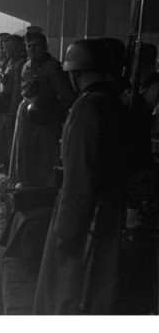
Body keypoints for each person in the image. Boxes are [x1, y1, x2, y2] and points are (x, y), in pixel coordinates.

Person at [33, 39, 132, 314]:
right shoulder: (116, 104)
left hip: (89, 220)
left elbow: (79, 179)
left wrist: (66, 230)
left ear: (76, 73)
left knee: (68, 293)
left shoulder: (87, 108)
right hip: (112, 215)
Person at [9, 31, 76, 187]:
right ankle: (25, 185)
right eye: (29, 46)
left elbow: (67, 96)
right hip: (25, 117)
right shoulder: (26, 65)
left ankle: (45, 189)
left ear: (45, 46)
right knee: (24, 153)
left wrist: (53, 112)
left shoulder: (53, 67)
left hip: (45, 119)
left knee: (44, 155)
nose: (32, 50)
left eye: (36, 46)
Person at [0, 35, 25, 174]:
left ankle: (9, 170)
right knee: (0, 140)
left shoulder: (18, 65)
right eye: (5, 48)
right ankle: (4, 165)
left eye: (8, 48)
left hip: (9, 108)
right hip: (1, 107)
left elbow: (17, 90)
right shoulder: (8, 63)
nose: (5, 51)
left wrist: (12, 112)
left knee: (9, 141)